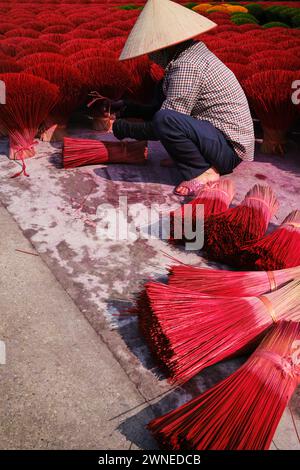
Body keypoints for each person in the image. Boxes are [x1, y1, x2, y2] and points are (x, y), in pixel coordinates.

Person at [112, 0, 255, 197]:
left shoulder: (187, 65)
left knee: (165, 120)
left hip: (229, 150)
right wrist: (128, 108)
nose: (150, 57)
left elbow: (164, 122)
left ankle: (203, 171)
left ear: (166, 46)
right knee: (161, 93)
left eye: (152, 50)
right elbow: (164, 108)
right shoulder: (188, 56)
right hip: (215, 138)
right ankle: (192, 156)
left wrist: (124, 129)